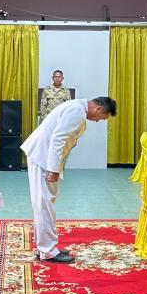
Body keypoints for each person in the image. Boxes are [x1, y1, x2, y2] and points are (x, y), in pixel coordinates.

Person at [21, 97, 117, 263]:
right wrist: (53, 168)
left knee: (43, 203)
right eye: (100, 118)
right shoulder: (77, 112)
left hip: (42, 155)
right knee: (45, 204)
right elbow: (58, 139)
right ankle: (48, 251)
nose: (96, 121)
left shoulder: (77, 107)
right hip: (44, 158)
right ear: (99, 109)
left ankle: (44, 247)